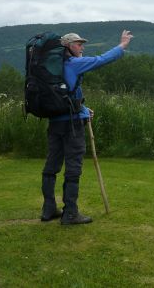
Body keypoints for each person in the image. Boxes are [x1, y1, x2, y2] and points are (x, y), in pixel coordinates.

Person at [41, 29, 133, 225]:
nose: (82, 47)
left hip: (55, 121)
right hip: (72, 126)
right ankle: (70, 213)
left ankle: (48, 209)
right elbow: (101, 60)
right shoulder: (73, 64)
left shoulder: (53, 68)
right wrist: (122, 46)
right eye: (78, 44)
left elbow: (66, 95)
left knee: (52, 165)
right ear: (67, 47)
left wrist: (82, 109)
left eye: (82, 43)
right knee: (73, 167)